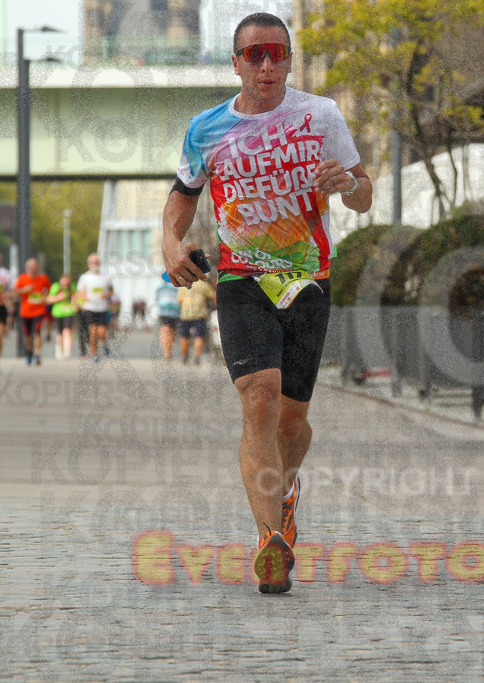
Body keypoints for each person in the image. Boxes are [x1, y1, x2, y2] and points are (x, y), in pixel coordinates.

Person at [161, 12, 372, 593]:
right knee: (258, 397)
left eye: (276, 53)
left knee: (292, 421)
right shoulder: (207, 128)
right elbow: (181, 198)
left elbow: (364, 194)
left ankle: (284, 489)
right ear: (236, 63)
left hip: (308, 278)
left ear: (288, 59)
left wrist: (346, 185)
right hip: (241, 280)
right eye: (253, 55)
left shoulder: (320, 115)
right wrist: (170, 241)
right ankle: (268, 536)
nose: (266, 64)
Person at [13, 257, 52, 366]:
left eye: (34, 267)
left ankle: (37, 354)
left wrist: (45, 296)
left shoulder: (43, 279)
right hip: (25, 312)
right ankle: (29, 352)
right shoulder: (22, 279)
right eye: (30, 267)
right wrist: (24, 290)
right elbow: (14, 293)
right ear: (26, 268)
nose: (33, 269)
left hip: (39, 310)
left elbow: (49, 290)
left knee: (37, 331)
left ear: (38, 267)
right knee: (27, 335)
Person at [75, 253, 113, 362]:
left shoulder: (106, 277)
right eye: (92, 262)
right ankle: (95, 354)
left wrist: (107, 294)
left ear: (99, 263)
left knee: (101, 332)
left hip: (102, 308)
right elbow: (78, 292)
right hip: (89, 308)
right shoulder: (84, 277)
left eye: (96, 262)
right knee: (93, 332)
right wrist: (83, 296)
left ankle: (105, 345)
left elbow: (111, 290)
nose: (94, 264)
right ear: (88, 264)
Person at [176, 276, 216, 364]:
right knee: (199, 335)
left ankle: (184, 357)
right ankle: (197, 358)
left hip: (185, 314)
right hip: (200, 314)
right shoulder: (203, 284)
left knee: (184, 336)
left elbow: (179, 300)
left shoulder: (184, 284)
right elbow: (213, 297)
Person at [46, 274, 77, 360]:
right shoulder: (56, 287)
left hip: (69, 312)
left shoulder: (73, 287)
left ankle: (67, 352)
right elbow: (48, 299)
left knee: (67, 331)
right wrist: (58, 298)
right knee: (60, 334)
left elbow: (76, 298)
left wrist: (75, 304)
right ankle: (59, 348)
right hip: (58, 313)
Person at [155, 279, 180, 361]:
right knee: (171, 333)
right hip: (175, 312)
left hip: (164, 312)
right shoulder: (178, 287)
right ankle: (168, 352)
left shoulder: (160, 288)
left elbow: (157, 299)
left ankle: (167, 353)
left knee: (165, 332)